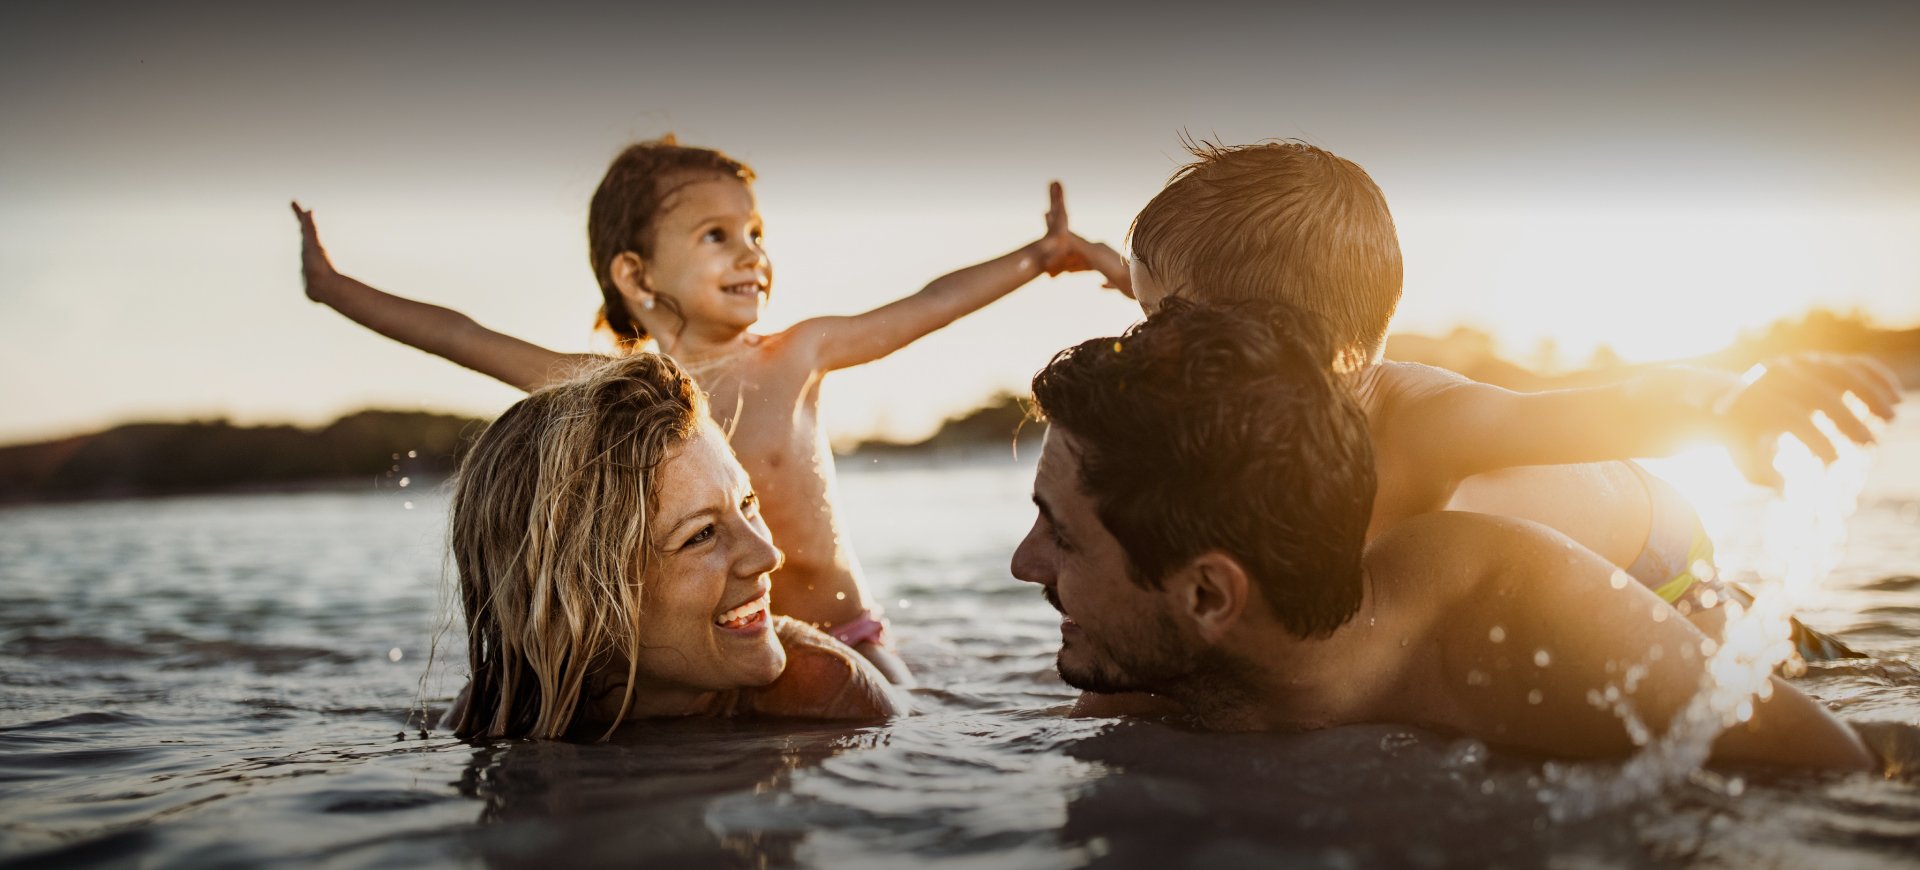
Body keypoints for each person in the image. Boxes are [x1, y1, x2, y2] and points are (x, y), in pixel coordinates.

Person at [295, 137, 1118, 684]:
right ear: (634, 275)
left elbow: (929, 302)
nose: (752, 253)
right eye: (717, 236)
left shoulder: (798, 354)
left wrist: (1040, 256)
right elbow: (459, 334)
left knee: (890, 733)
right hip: (717, 657)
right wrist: (334, 291)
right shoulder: (610, 393)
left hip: (848, 637)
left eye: (756, 232)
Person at [1106, 140, 1902, 656]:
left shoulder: (1415, 418)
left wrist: (1731, 403)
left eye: (1154, 317)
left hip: (1663, 576)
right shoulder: (1262, 408)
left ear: (1279, 336)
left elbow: (1624, 402)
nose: (1142, 344)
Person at [1010, 298, 1874, 770]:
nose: (1023, 564)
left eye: (1062, 535)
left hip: (1669, 566)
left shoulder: (1514, 624)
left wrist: (1732, 400)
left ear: (1209, 595)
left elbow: (1833, 772)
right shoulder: (1150, 665)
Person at [448, 352, 903, 740]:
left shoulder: (830, 695)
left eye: (748, 504)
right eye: (701, 534)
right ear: (579, 598)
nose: (768, 555)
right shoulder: (504, 709)